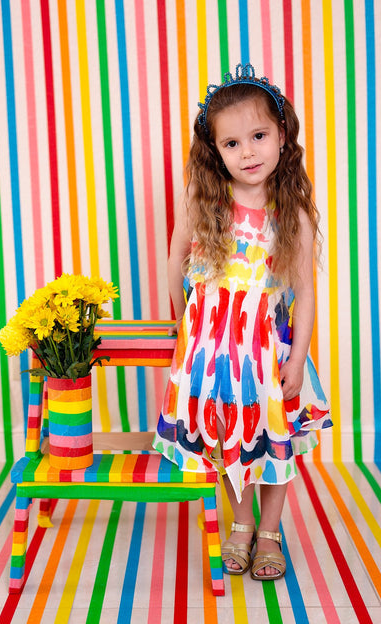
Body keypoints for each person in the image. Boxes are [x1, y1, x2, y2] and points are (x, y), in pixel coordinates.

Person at [153, 63, 332, 581]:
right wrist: (184, 328)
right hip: (213, 355)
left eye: (258, 136)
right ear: (216, 151)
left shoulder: (291, 212)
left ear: (282, 136)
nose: (248, 152)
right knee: (226, 439)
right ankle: (241, 522)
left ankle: (269, 531)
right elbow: (176, 261)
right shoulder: (203, 200)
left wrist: (298, 359)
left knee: (272, 441)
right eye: (232, 143)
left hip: (267, 352)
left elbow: (305, 292)